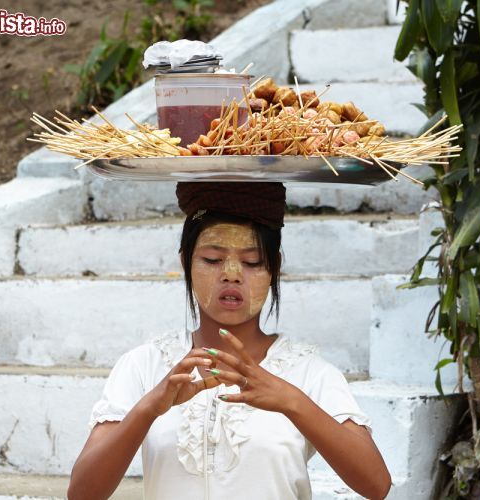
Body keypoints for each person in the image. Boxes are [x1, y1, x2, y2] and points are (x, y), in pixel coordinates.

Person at [67, 182, 391, 500]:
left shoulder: (309, 373)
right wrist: (148, 409)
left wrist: (292, 401)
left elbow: (376, 485)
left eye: (252, 262)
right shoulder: (144, 366)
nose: (232, 274)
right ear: (186, 263)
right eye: (212, 259)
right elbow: (82, 493)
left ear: (274, 268)